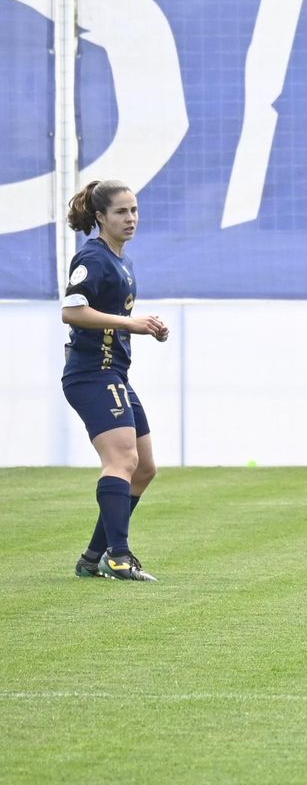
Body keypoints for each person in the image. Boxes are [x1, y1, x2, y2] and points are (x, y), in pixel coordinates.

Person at [60, 179, 169, 582]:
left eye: (135, 210)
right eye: (122, 212)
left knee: (144, 469)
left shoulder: (121, 259)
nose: (131, 218)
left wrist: (148, 328)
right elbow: (72, 312)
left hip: (114, 374)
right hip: (91, 375)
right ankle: (118, 556)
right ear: (100, 217)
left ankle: (93, 557)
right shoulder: (93, 256)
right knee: (122, 460)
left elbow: (114, 321)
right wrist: (130, 323)